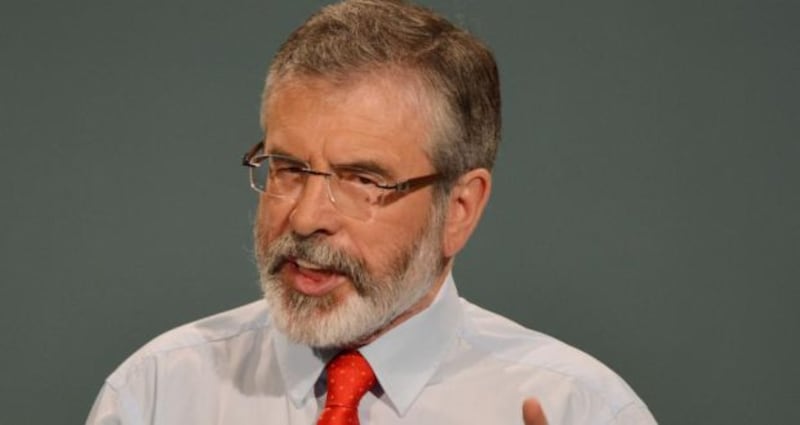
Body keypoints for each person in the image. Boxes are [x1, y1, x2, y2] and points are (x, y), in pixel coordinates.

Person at [87, 1, 656, 424]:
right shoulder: (155, 394)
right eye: (287, 167)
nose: (307, 217)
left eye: (363, 180)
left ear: (459, 209)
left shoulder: (583, 408)